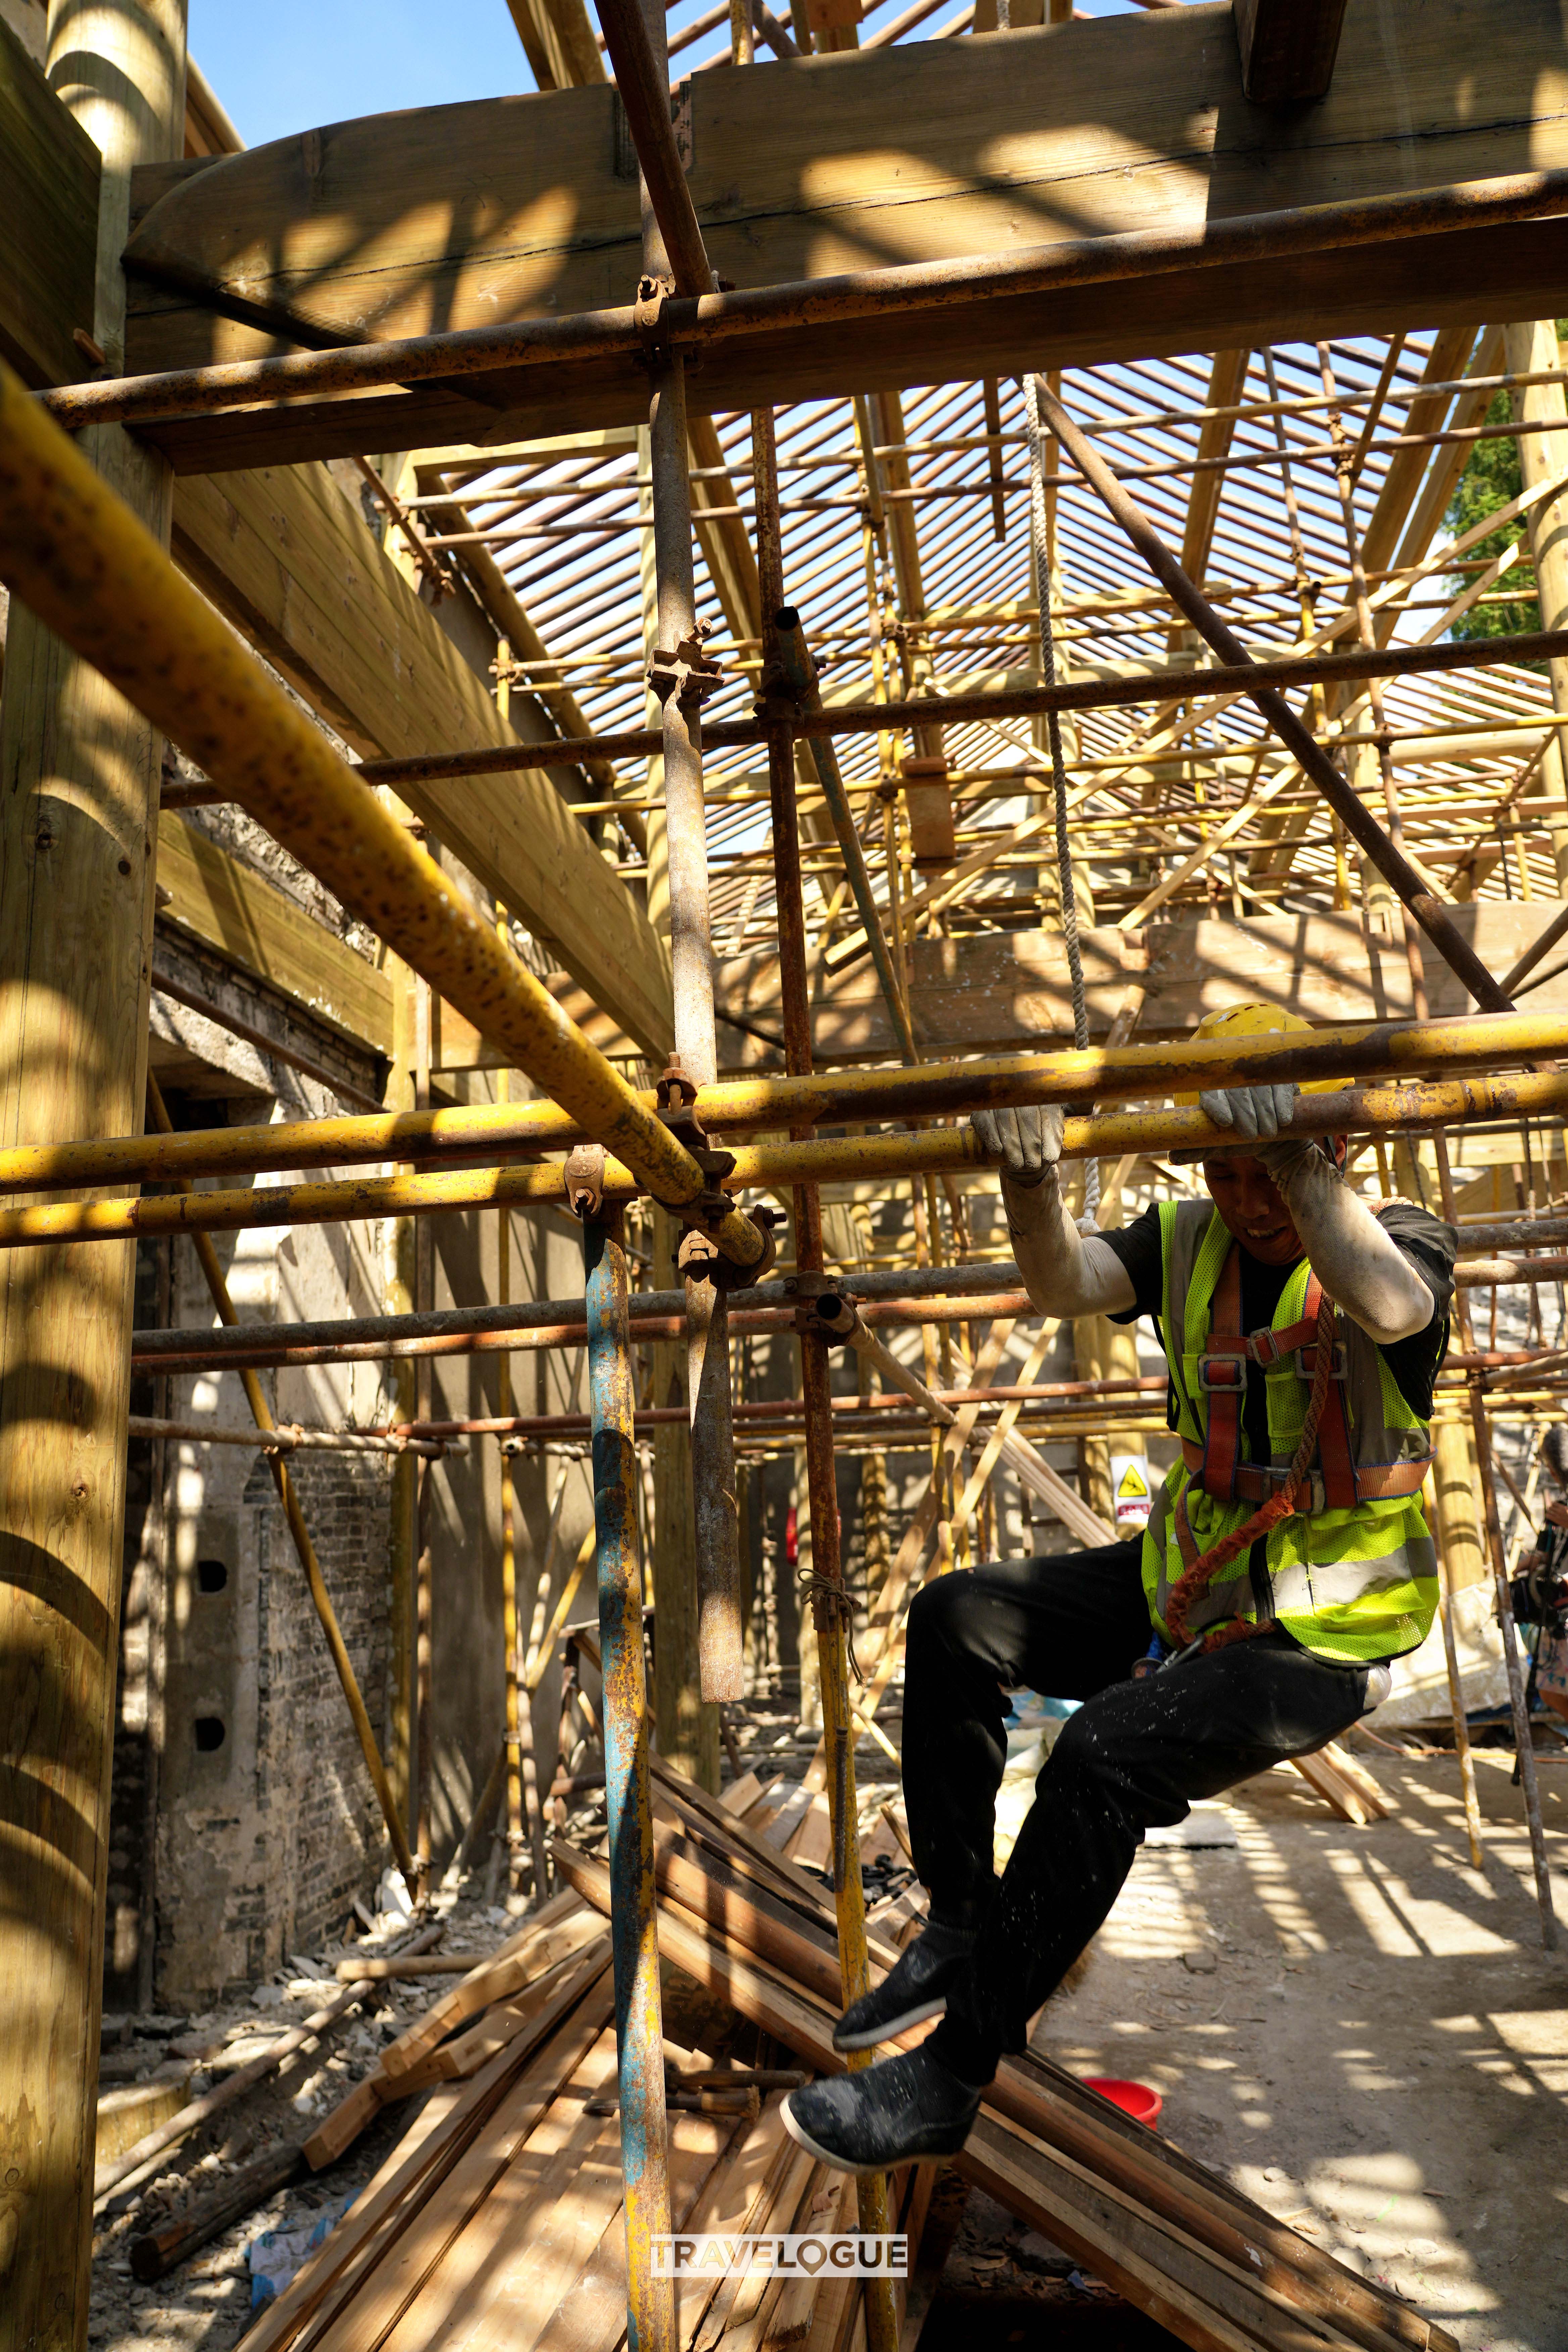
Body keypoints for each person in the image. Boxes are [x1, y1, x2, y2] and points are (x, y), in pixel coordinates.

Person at [782, 1003, 1456, 2174]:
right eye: (1227, 1171)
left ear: (1331, 1152)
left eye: (1269, 1173)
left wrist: (1298, 1153)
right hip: (1187, 1587)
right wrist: (1033, 1180)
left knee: (1100, 1752)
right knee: (956, 1615)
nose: (1247, 1200)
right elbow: (1061, 1282)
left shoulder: (1397, 1233)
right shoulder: (1187, 1239)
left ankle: (951, 2075)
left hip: (1324, 1626)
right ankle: (957, 1914)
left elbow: (1395, 1308)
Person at [1516, 1425, 1568, 1726]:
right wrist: (1534, 1559)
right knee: (1549, 1690)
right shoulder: (1562, 1502)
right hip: (1559, 1608)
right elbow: (1550, 1549)